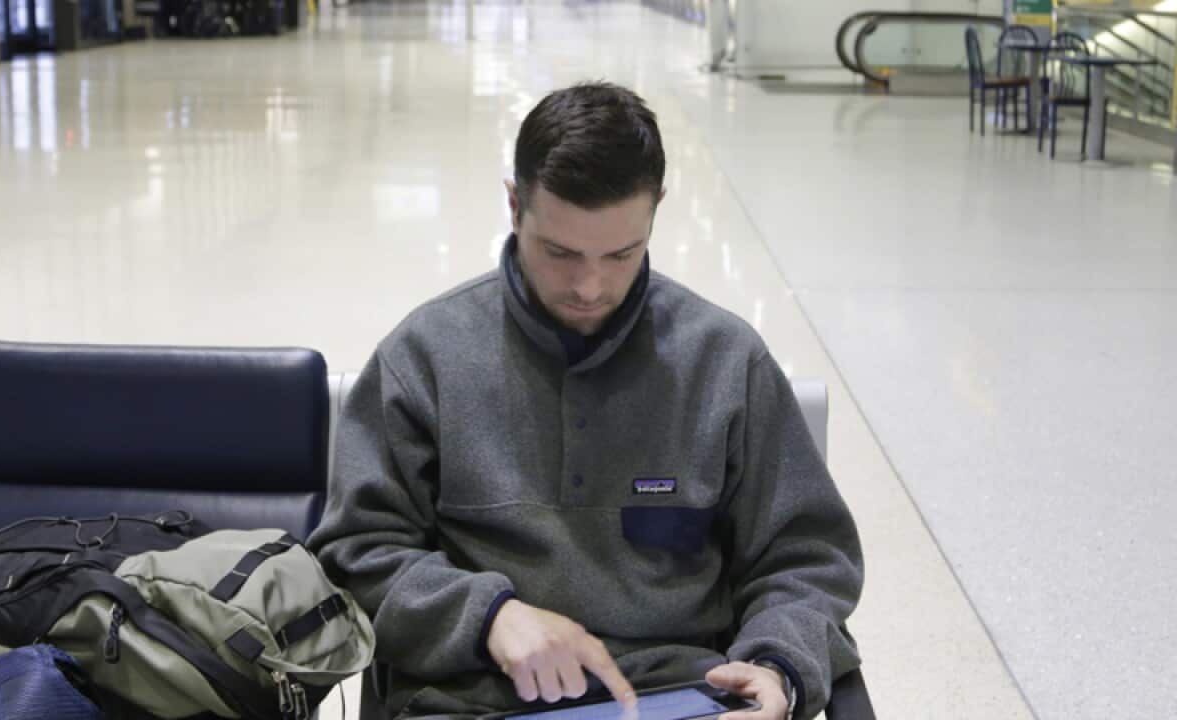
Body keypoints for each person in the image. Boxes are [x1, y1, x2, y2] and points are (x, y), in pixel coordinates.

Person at [308, 81, 863, 720]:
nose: (590, 286)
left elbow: (806, 558)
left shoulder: (724, 362)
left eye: (622, 253)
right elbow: (354, 556)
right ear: (515, 206)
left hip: (678, 695)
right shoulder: (427, 357)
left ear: (656, 210)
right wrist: (489, 616)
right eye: (561, 252)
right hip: (475, 698)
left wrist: (779, 665)